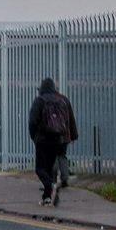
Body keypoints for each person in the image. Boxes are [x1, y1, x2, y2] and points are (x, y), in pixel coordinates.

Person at [27, 76, 77, 207]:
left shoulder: (40, 101)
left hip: (42, 140)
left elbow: (32, 121)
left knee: (40, 169)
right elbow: (66, 120)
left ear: (42, 89)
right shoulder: (61, 101)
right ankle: (47, 198)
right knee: (49, 169)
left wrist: (34, 136)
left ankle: (52, 185)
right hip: (57, 140)